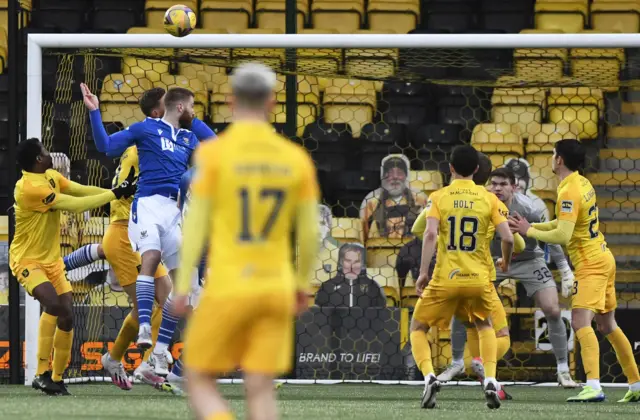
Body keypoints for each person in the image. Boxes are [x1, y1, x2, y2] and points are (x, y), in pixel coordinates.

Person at [172, 62, 319, 420]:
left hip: (228, 284)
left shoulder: (213, 155)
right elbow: (312, 231)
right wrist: (301, 283)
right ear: (272, 103)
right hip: (274, 286)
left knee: (198, 377)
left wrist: (182, 284)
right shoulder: (295, 159)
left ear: (230, 101)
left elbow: (195, 226)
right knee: (260, 386)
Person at [86, 84, 214, 375]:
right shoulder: (144, 130)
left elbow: (216, 146)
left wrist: (191, 119)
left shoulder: (186, 136)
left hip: (174, 210)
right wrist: (95, 112)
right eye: (189, 106)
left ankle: (158, 350)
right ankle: (144, 328)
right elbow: (105, 146)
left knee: (184, 287)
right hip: (146, 205)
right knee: (151, 259)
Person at [510, 139, 640, 403]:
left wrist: (530, 232)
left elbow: (563, 234)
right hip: (604, 257)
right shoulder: (582, 183)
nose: (551, 157)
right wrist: (532, 225)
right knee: (607, 324)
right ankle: (636, 385)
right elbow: (564, 222)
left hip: (591, 264)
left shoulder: (568, 190)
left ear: (559, 160)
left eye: (553, 153)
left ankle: (593, 385)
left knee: (581, 322)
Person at [10, 138, 136, 395]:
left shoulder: (51, 176)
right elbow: (74, 205)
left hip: (53, 261)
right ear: (37, 159)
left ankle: (56, 378)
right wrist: (114, 194)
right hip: (27, 260)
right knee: (53, 305)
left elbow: (79, 191)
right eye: (45, 152)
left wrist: (116, 191)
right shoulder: (28, 188)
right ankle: (41, 373)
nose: (50, 155)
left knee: (67, 315)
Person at [437, 168, 577, 388]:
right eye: (493, 184)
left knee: (552, 309)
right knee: (462, 304)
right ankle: (455, 363)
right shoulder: (480, 203)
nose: (497, 188)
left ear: (514, 187)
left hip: (529, 260)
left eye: (503, 184)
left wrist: (565, 270)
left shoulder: (531, 208)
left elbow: (550, 239)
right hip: (493, 261)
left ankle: (563, 371)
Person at [409, 145, 514, 410]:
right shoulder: (490, 199)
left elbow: (429, 234)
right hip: (478, 280)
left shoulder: (439, 196)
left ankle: (430, 377)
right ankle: (490, 379)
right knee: (486, 327)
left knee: (418, 329)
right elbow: (509, 238)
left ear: (451, 168)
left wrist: (423, 273)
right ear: (478, 170)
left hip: (445, 278)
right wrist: (505, 262)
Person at [360, 154, 427, 245]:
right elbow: (363, 236)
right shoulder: (371, 202)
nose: (395, 177)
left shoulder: (420, 199)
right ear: (383, 177)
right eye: (390, 173)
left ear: (405, 176)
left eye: (399, 173)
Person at [315, 243, 386, 308]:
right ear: (341, 262)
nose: (352, 267)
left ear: (363, 264)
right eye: (348, 261)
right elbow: (318, 317)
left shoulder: (374, 287)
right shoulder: (327, 287)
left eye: (357, 262)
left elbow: (382, 316)